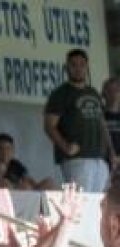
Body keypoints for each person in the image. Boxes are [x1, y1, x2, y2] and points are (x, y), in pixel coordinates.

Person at [43, 48, 113, 192]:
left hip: (100, 158)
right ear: (67, 67)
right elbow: (49, 126)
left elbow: (102, 124)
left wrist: (111, 152)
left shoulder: (93, 93)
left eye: (82, 65)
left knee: (99, 204)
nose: (78, 69)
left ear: (87, 67)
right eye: (73, 65)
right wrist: (65, 146)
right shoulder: (61, 94)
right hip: (78, 159)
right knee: (81, 202)